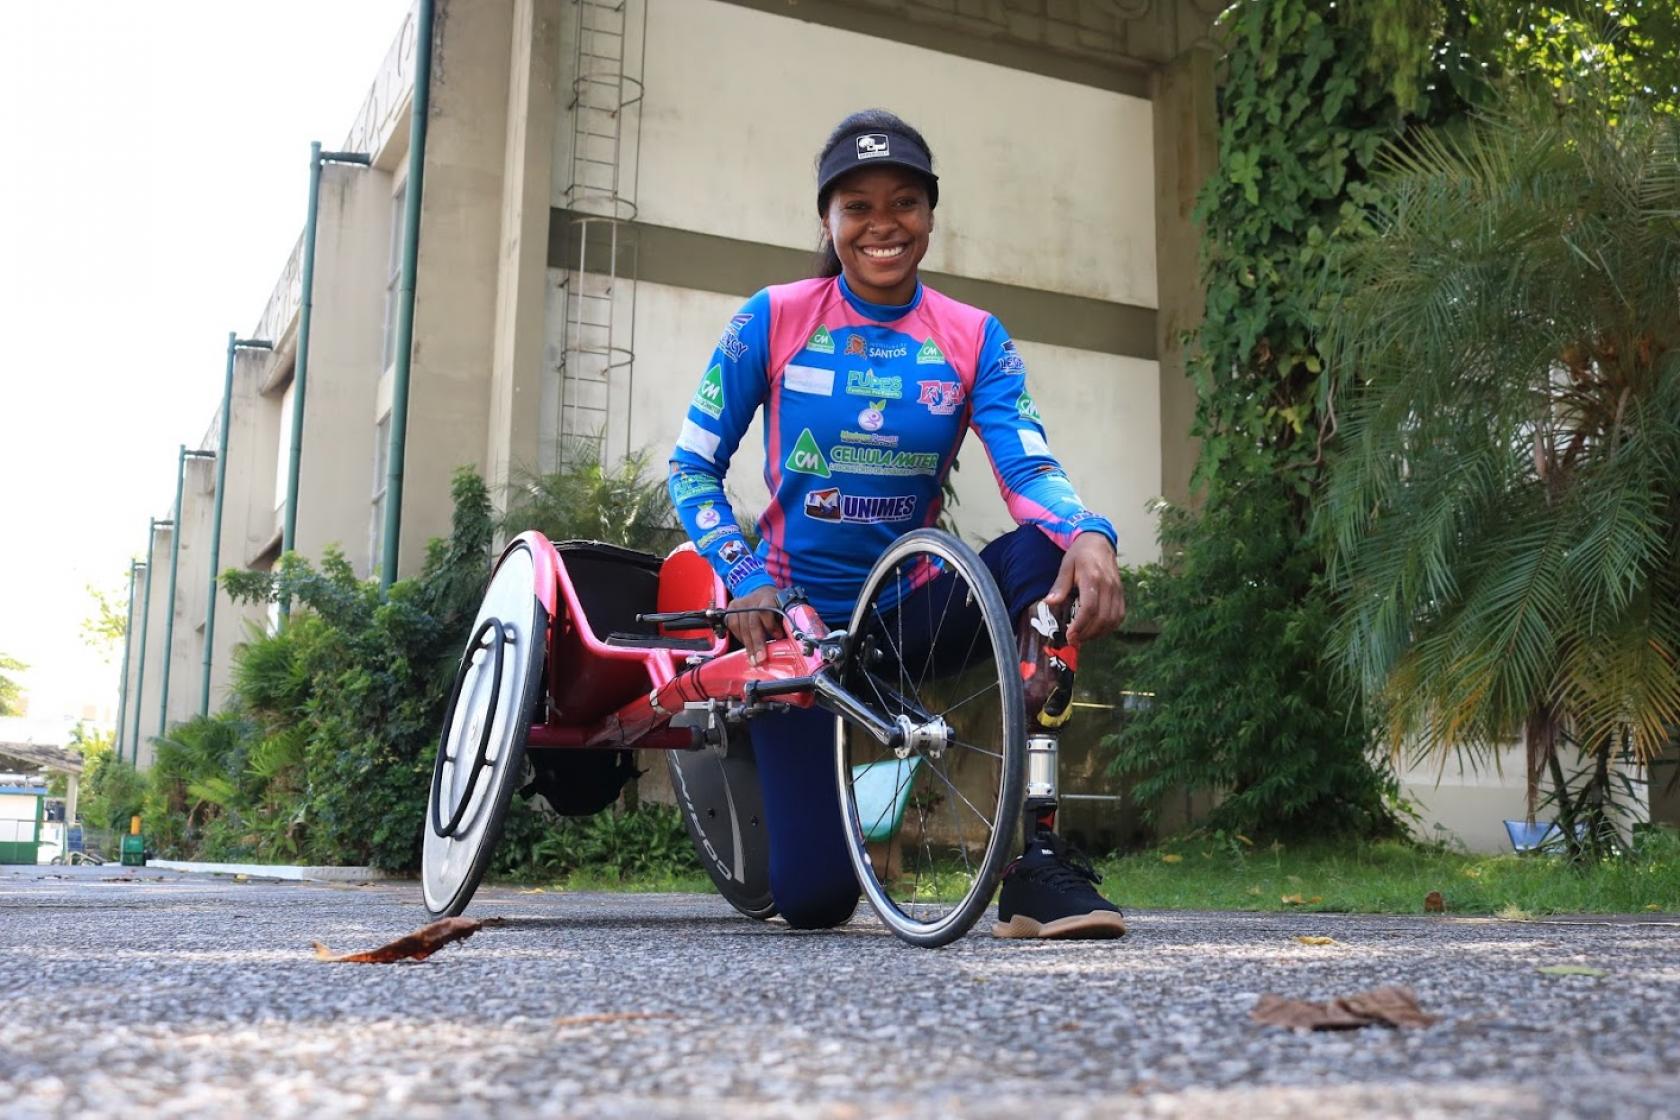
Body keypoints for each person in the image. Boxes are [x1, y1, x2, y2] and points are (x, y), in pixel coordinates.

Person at [667, 108, 1128, 939]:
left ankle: (1039, 866)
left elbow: (1026, 469)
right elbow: (691, 468)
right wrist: (743, 576)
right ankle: (756, 754)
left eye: (905, 203)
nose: (884, 225)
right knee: (812, 901)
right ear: (828, 220)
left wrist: (1090, 532)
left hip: (905, 618)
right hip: (796, 633)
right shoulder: (771, 318)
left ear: (929, 216)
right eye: (859, 207)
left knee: (1043, 554)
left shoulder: (972, 336)